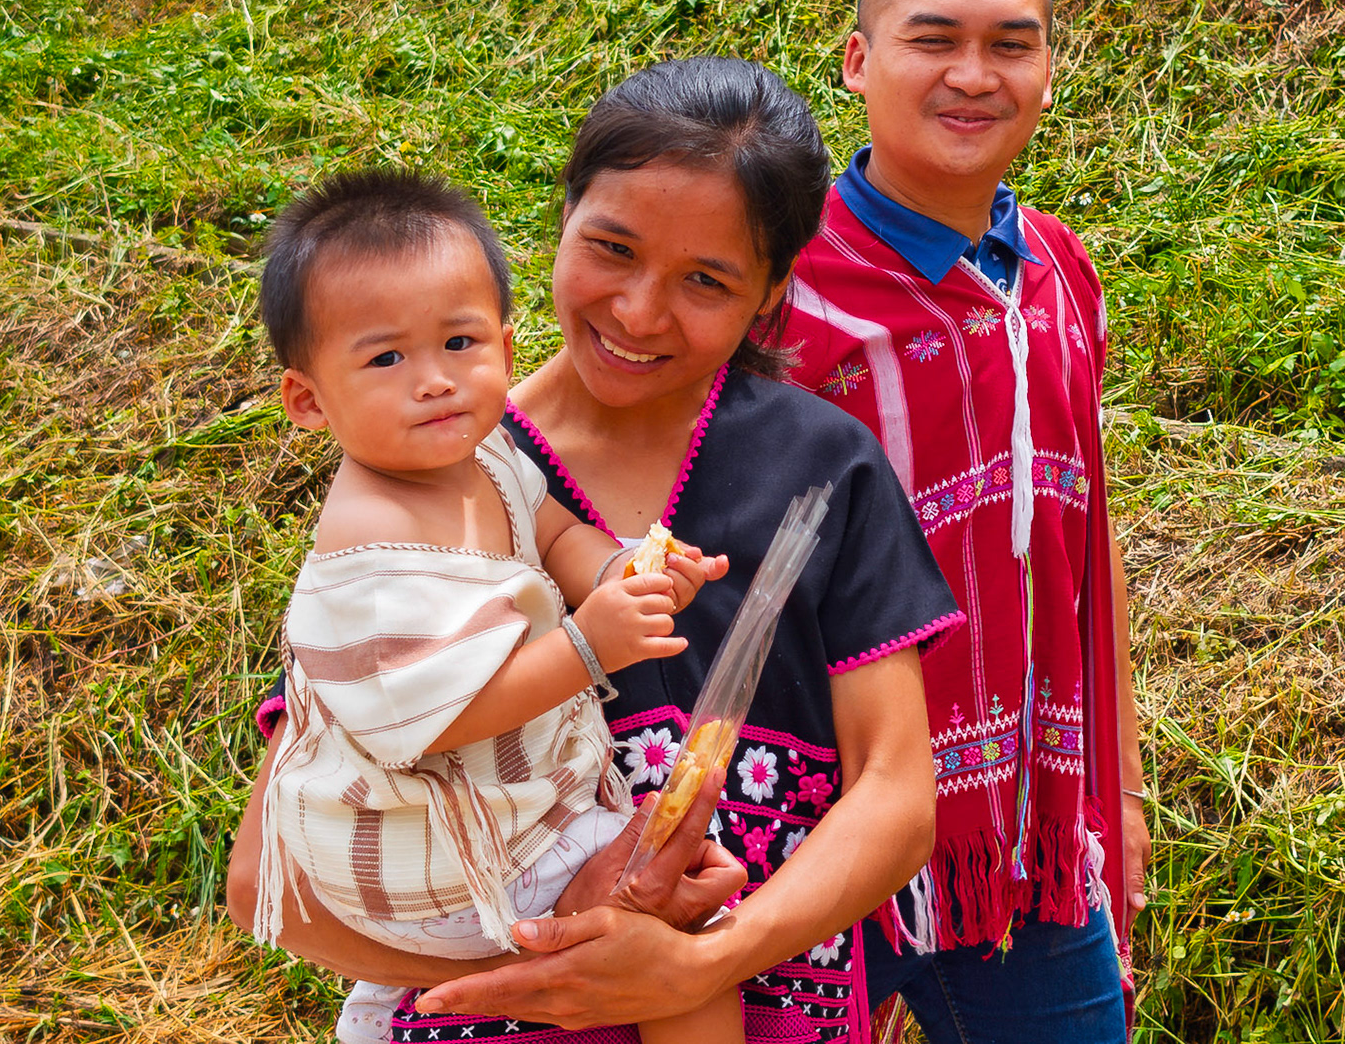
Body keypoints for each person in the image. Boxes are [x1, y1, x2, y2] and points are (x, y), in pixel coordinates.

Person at [228, 56, 965, 1043]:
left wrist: (695, 963)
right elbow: (262, 878)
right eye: (612, 248)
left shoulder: (822, 467)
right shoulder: (433, 478)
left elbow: (897, 797)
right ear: (563, 215)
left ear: (770, 291)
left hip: (762, 993)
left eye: (706, 279)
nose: (638, 311)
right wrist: (569, 961)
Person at [245, 169, 741, 1044]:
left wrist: (624, 569)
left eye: (460, 342)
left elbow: (552, 533)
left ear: (508, 349)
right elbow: (444, 717)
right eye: (386, 357)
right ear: (307, 399)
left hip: (504, 813)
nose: (435, 380)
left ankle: (383, 1009)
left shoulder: (489, 456)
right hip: (445, 856)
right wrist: (590, 648)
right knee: (680, 946)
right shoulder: (372, 550)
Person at [778, 0, 1151, 1043]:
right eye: (932, 39)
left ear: (1049, 68)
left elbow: (1087, 534)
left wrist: (1114, 784)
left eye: (1012, 44)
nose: (974, 76)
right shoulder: (775, 283)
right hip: (798, 819)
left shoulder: (1056, 265)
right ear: (857, 60)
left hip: (1016, 840)